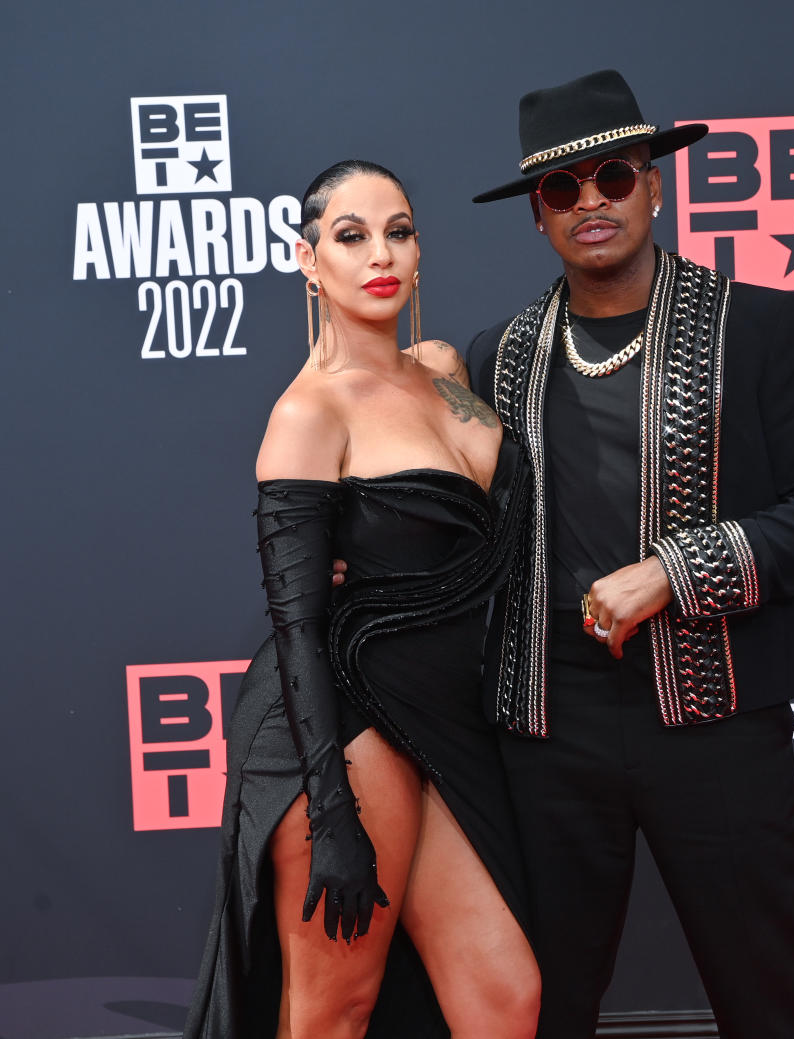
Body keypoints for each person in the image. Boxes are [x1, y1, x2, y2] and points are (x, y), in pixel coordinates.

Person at [467, 70, 794, 1039]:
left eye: (612, 175)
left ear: (656, 185)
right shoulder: (500, 355)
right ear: (539, 215)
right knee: (537, 998)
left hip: (717, 718)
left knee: (766, 986)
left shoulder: (762, 326)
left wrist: (676, 570)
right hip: (546, 728)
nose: (591, 202)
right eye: (562, 190)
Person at [184, 160, 540, 1039]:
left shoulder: (444, 369)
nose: (380, 253)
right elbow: (297, 623)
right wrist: (330, 808)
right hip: (347, 719)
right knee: (333, 1009)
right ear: (309, 263)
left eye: (399, 230)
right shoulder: (309, 413)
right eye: (350, 236)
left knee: (505, 996)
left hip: (447, 722)